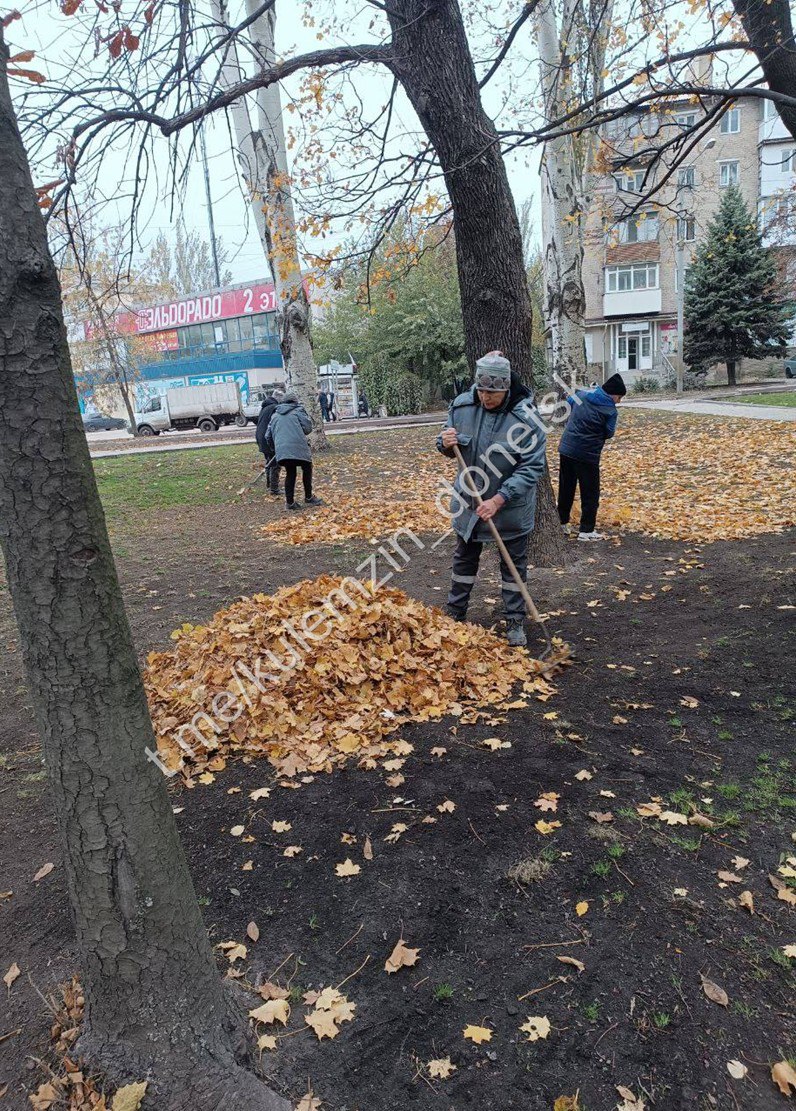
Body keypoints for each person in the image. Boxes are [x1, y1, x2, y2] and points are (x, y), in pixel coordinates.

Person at [436, 351, 546, 648]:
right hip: (469, 504)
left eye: (493, 392)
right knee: (464, 560)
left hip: (509, 509)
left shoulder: (527, 419)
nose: (485, 397)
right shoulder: (462, 406)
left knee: (513, 567)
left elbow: (532, 467)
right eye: (481, 390)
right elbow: (447, 441)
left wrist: (499, 499)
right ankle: (455, 612)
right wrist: (444, 443)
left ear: (506, 388)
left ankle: (515, 620)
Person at [557, 372, 626, 541]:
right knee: (590, 492)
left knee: (566, 487)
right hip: (587, 454)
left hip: (567, 449)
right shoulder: (610, 411)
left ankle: (562, 523)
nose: (619, 401)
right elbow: (609, 433)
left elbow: (569, 403)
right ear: (614, 394)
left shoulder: (582, 395)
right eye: (620, 398)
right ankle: (586, 530)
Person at [264, 390, 324, 511]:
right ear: (295, 401)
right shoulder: (298, 411)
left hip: (283, 450)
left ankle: (290, 503)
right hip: (299, 447)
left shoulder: (275, 415)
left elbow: (268, 436)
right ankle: (308, 497)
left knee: (290, 473)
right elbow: (308, 429)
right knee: (307, 468)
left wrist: (275, 448)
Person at [255, 389, 283, 495]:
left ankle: (269, 484)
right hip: (267, 438)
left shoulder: (265, 406)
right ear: (278, 398)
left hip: (260, 437)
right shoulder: (274, 408)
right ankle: (274, 488)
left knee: (269, 461)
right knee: (275, 463)